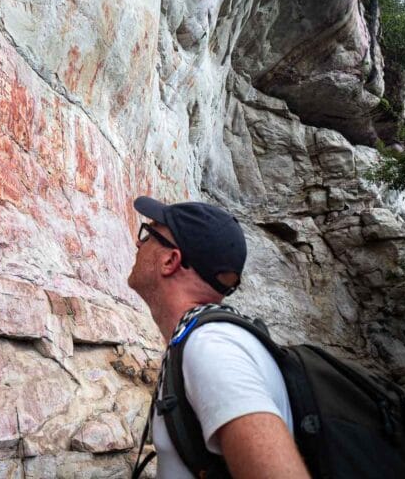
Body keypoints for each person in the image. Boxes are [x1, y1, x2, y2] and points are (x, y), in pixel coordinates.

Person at [129, 196, 310, 478]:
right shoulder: (205, 338)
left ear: (170, 260)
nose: (138, 243)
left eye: (149, 234)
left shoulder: (211, 348)